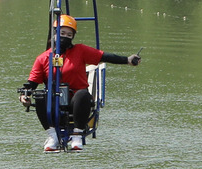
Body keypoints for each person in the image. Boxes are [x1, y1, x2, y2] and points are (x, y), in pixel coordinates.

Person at [19, 14, 141, 152]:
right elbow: (32, 83)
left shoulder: (80, 51)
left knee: (83, 94)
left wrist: (127, 60)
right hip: (55, 101)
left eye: (69, 35)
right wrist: (24, 96)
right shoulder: (43, 58)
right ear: (54, 33)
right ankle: (52, 136)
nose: (64, 37)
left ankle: (77, 135)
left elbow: (103, 56)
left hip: (76, 100)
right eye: (62, 33)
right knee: (40, 95)